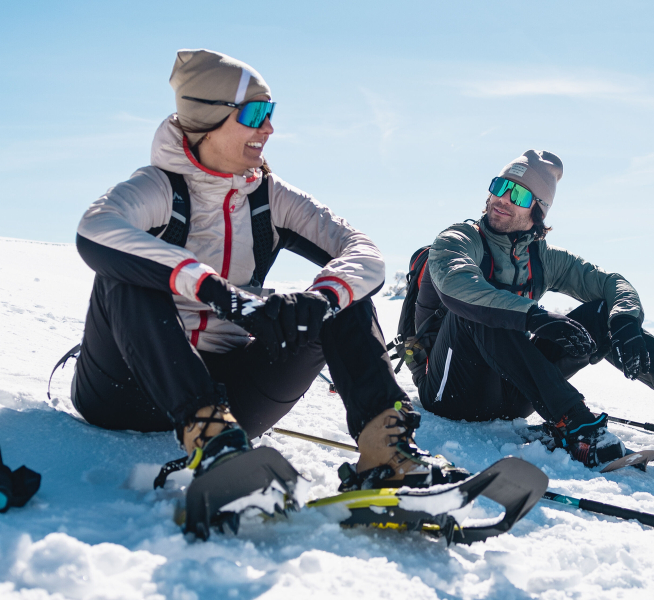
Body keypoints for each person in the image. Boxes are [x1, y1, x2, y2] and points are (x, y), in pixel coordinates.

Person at [72, 49, 463, 491]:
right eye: (256, 113)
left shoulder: (271, 198)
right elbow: (96, 229)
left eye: (271, 113)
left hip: (233, 396)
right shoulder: (157, 188)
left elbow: (363, 252)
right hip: (122, 390)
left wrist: (323, 299)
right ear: (207, 118)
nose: (270, 128)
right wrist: (216, 291)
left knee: (345, 293)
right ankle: (213, 445)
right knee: (125, 274)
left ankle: (387, 455)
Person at [408, 150, 654, 468]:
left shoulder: (542, 258)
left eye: (521, 195)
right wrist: (537, 317)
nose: (504, 199)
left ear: (538, 211)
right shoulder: (458, 239)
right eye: (501, 186)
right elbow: (458, 285)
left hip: (512, 397)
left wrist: (625, 322)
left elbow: (611, 284)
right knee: (482, 308)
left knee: (600, 315)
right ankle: (575, 424)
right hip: (449, 392)